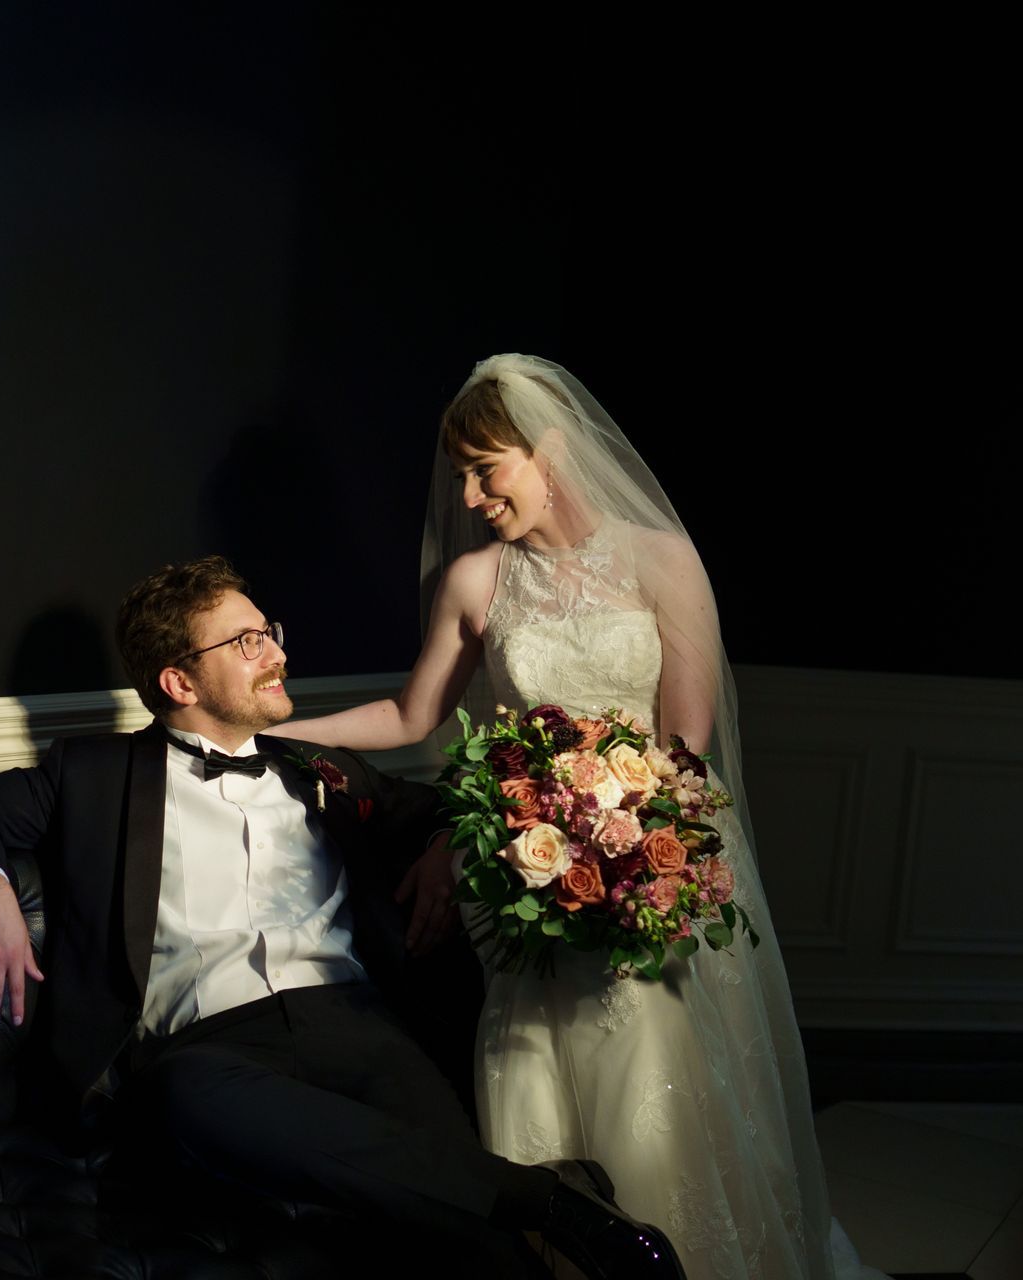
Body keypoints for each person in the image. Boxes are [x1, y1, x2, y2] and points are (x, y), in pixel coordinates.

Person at [272, 354, 884, 1280]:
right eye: (464, 477)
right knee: (537, 1081)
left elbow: (685, 745)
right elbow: (409, 717)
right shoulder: (477, 583)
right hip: (530, 872)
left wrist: (636, 851)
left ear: (550, 448)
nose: (473, 497)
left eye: (489, 469)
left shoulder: (661, 560)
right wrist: (276, 729)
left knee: (651, 1080)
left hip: (654, 870)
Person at [0, 555, 689, 1280]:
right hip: (207, 1051)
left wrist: (448, 850)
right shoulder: (92, 774)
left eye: (269, 633)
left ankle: (552, 1221)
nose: (276, 653)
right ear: (180, 682)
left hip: (358, 1025)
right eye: (247, 642)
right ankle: (553, 1203)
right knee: (184, 1101)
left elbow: (447, 810)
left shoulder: (322, 772)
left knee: (462, 1239)